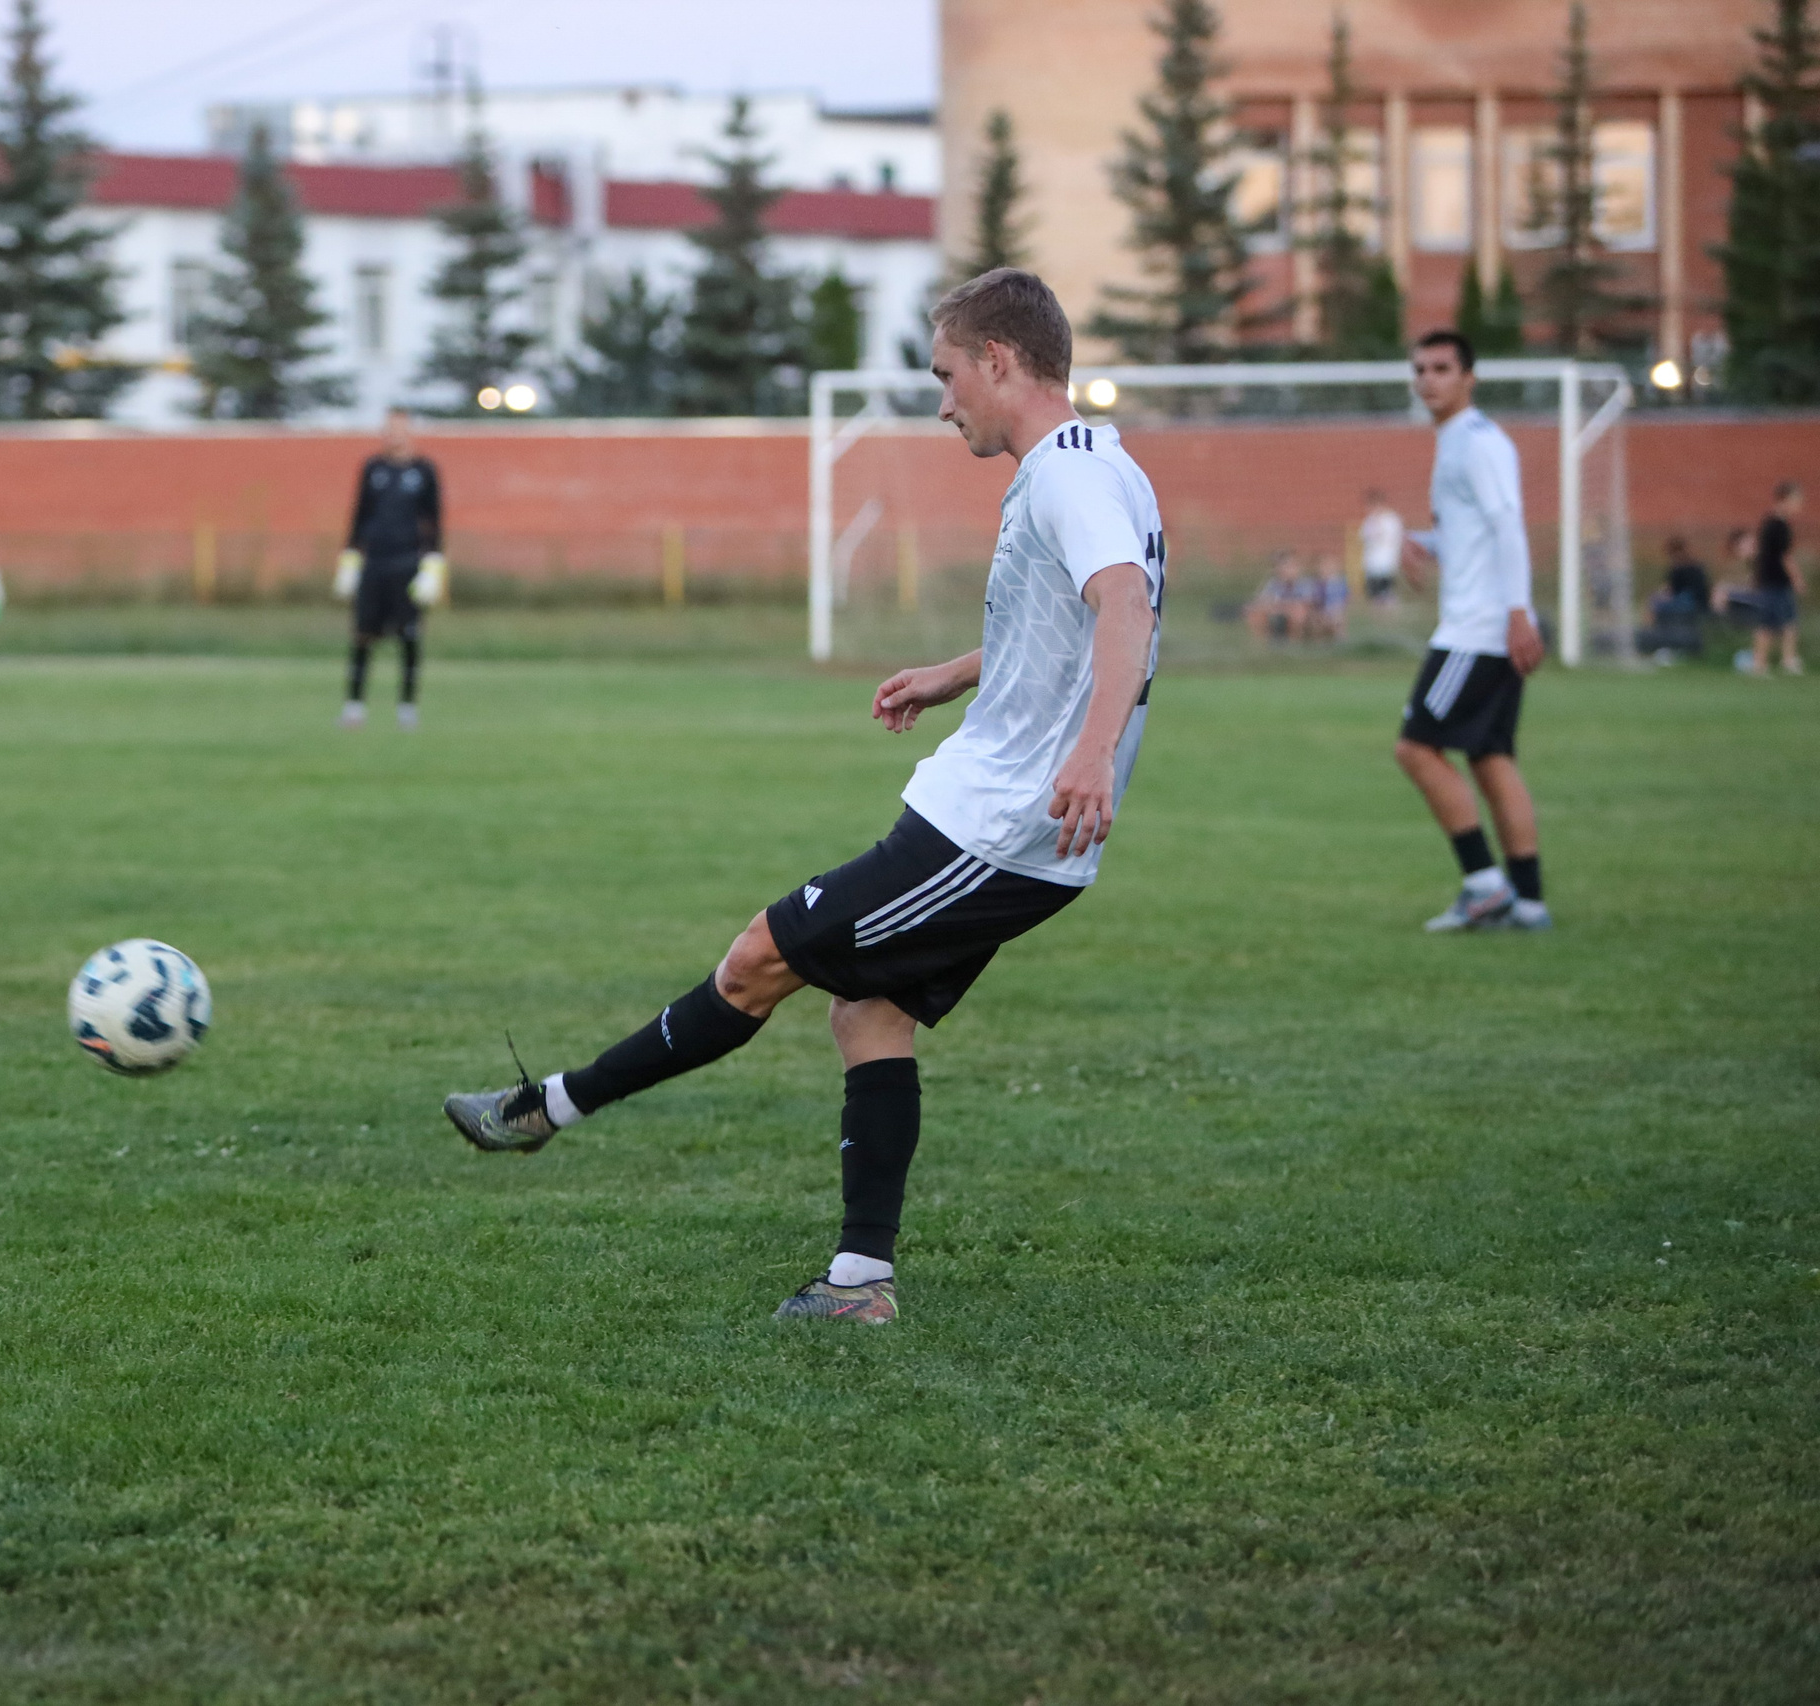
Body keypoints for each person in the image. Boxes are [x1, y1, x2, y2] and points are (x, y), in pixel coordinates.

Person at [440, 268, 1164, 1325]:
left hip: (998, 826)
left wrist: (1093, 753)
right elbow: (1065, 619)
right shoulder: (1101, 464)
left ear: (1000, 361)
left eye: (947, 373)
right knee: (866, 1011)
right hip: (996, 817)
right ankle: (859, 1283)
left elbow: (1125, 609)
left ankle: (545, 1107)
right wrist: (955, 672)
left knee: (757, 957)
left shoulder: (1068, 476)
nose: (942, 398)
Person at [1394, 329, 1550, 934]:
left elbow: (1509, 525)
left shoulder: (1479, 443)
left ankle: (1484, 885)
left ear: (1469, 377)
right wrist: (1427, 543)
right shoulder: (1459, 440)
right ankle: (1529, 901)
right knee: (1490, 756)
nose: (1429, 379)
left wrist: (1517, 613)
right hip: (1490, 622)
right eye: (1421, 369)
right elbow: (1477, 531)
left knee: (1416, 747)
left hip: (1476, 629)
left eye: (1441, 368)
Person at [336, 408, 445, 729]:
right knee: (362, 635)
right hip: (375, 563)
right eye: (387, 429)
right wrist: (349, 560)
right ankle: (354, 706)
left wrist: (434, 563)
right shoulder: (373, 468)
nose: (391, 435)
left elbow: (434, 520)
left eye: (397, 429)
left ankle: (407, 707)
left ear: (409, 431)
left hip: (407, 562)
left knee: (409, 635)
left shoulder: (424, 471)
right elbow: (359, 515)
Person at [1734, 482, 1805, 676]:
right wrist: (1797, 578)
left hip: (1775, 581)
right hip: (1773, 581)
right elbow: (1784, 556)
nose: (1799, 504)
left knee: (1789, 621)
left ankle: (1788, 660)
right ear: (1784, 499)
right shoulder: (1777, 525)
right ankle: (1760, 663)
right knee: (1768, 624)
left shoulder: (1771, 523)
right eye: (1796, 500)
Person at [1640, 534, 1713, 661]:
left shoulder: (1679, 568)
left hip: (1688, 602)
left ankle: (1648, 635)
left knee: (1654, 603)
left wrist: (1656, 597)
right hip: (1700, 602)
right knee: (1656, 602)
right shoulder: (1697, 565)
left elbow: (1671, 591)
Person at [1245, 549, 1305, 643]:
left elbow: (1305, 603)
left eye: (1289, 567)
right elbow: (1261, 599)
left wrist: (1279, 606)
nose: (1284, 570)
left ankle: (1294, 644)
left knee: (1297, 612)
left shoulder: (1304, 583)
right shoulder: (1273, 584)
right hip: (1278, 610)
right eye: (1281, 566)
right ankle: (1262, 645)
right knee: (1255, 612)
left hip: (1297, 612)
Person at [1360, 488, 1404, 605]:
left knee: (1386, 592)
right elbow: (1365, 538)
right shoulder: (1369, 521)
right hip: (1372, 563)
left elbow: (1394, 539)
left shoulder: (1391, 520)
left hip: (1386, 561)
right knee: (1373, 594)